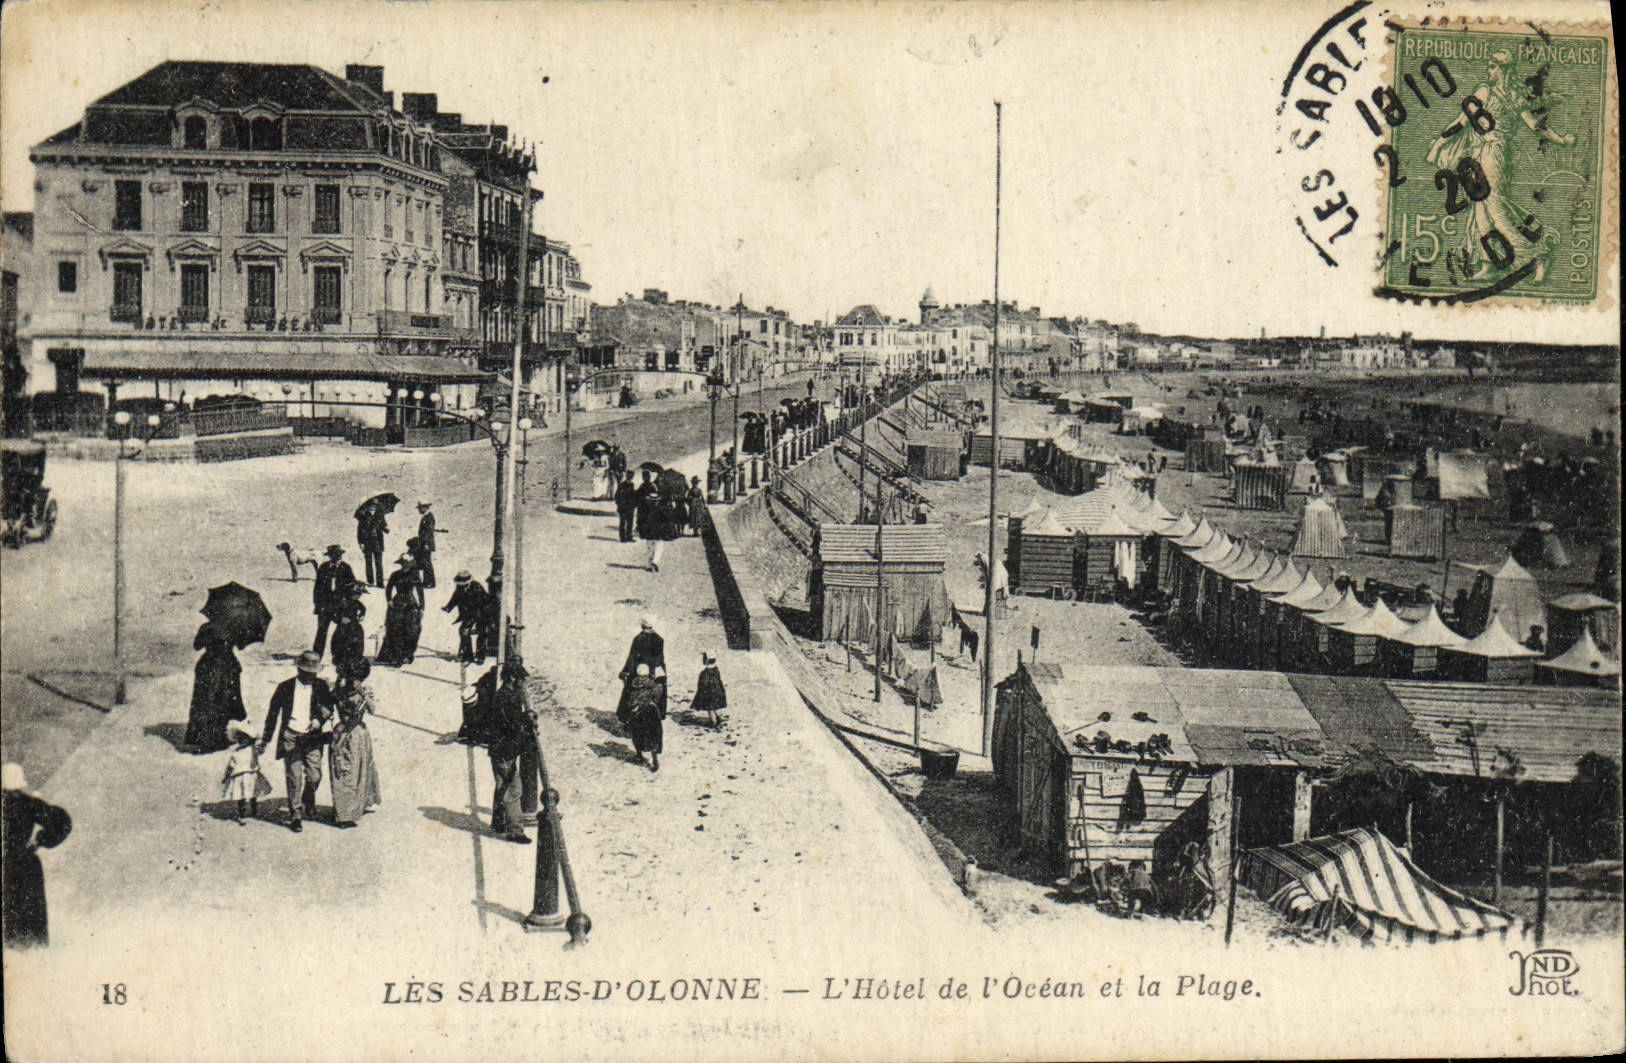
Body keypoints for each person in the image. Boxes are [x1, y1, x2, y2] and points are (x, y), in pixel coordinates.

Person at [1425, 48, 1572, 283]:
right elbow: (1463, 121)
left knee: (1495, 209)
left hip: (1495, 154)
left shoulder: (1498, 94)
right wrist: (1438, 145)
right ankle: (1489, 263)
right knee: (1480, 210)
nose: (1489, 70)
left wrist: (1561, 140)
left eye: (1493, 66)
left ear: (1504, 70)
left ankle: (1537, 255)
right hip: (1478, 155)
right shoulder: (1495, 93)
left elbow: (1534, 126)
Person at [258, 652, 335, 833]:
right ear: (299, 670)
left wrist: (319, 720)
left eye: (313, 672)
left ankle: (308, 796)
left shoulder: (321, 685)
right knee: (294, 777)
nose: (310, 676)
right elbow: (273, 714)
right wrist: (266, 739)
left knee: (315, 775)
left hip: (312, 737)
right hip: (291, 736)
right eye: (307, 672)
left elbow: (329, 707)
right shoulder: (284, 687)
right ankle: (296, 815)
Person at [2, 763, 72, 949]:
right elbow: (62, 822)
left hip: (7, 866)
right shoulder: (29, 803)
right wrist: (40, 840)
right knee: (30, 922)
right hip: (25, 865)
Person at [328, 658, 381, 829]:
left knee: (358, 771)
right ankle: (344, 815)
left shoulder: (362, 690)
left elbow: (372, 709)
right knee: (346, 772)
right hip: (347, 733)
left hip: (356, 734)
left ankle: (353, 807)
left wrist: (363, 692)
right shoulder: (340, 689)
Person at [487, 659, 535, 843]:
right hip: (504, 750)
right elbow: (511, 725)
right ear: (513, 678)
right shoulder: (507, 698)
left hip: (500, 749)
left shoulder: (503, 695)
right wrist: (526, 720)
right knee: (513, 789)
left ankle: (498, 823)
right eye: (520, 679)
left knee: (502, 785)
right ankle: (515, 831)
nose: (523, 683)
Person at [185, 621, 246, 753]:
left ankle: (203, 739)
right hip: (227, 667)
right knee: (223, 702)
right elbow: (241, 645)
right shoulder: (233, 626)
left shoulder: (206, 627)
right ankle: (218, 738)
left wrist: (209, 638)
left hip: (208, 666)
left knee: (205, 702)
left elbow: (197, 646)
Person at [375, 555, 424, 667]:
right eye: (403, 564)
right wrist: (389, 600)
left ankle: (407, 655)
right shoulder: (395, 574)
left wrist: (422, 607)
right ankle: (396, 657)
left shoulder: (415, 575)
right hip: (397, 604)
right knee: (396, 630)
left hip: (411, 605)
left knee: (411, 631)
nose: (404, 566)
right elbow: (389, 588)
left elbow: (420, 592)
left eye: (406, 564)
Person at [220, 720, 271, 825]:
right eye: (239, 737)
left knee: (253, 794)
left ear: (250, 739)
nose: (242, 740)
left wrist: (262, 745)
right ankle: (241, 815)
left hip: (252, 774)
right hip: (240, 777)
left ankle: (254, 809)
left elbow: (261, 751)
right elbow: (230, 766)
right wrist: (226, 776)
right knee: (241, 797)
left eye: (245, 738)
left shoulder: (253, 750)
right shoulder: (235, 752)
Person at [618, 614, 667, 722]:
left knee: (633, 692)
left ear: (642, 625)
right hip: (655, 670)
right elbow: (660, 658)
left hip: (639, 670)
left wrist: (625, 671)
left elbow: (632, 657)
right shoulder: (659, 639)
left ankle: (628, 717)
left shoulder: (638, 639)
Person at [620, 663, 665, 771]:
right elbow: (658, 696)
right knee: (653, 735)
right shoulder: (652, 685)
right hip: (651, 712)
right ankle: (654, 759)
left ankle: (639, 755)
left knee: (637, 735)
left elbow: (630, 702)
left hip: (638, 714)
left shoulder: (633, 686)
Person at [311, 545, 354, 656]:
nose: (338, 557)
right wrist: (318, 605)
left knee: (342, 632)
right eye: (335, 555)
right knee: (321, 631)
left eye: (339, 555)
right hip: (325, 606)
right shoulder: (323, 567)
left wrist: (348, 605)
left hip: (340, 606)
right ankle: (316, 656)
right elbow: (317, 588)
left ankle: (340, 657)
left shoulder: (346, 568)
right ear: (330, 556)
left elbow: (352, 588)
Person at [443, 570, 492, 664]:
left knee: (482, 632)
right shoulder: (459, 589)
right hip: (469, 615)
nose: (462, 586)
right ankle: (467, 655)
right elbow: (455, 598)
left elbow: (483, 602)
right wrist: (448, 607)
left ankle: (480, 655)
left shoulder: (477, 588)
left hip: (481, 614)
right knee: (463, 631)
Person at [329, 580, 368, 673]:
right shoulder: (342, 602)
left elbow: (363, 608)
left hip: (354, 626)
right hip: (343, 628)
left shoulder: (356, 603)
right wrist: (340, 619)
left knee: (357, 644)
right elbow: (332, 614)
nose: (358, 596)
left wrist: (361, 615)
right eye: (357, 594)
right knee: (341, 644)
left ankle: (355, 661)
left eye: (359, 595)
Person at [354, 499, 389, 588]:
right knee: (369, 563)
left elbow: (385, 527)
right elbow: (359, 531)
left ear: (377, 507)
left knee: (379, 563)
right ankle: (370, 581)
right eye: (371, 506)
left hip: (378, 542)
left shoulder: (380, 516)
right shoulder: (363, 516)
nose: (373, 507)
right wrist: (361, 543)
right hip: (367, 543)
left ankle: (380, 583)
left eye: (375, 506)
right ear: (368, 507)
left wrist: (386, 529)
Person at [691, 653, 728, 728]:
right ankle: (718, 717)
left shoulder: (705, 673)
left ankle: (713, 722)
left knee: (710, 708)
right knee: (714, 706)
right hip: (717, 690)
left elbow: (703, 683)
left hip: (709, 692)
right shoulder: (716, 670)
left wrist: (701, 691)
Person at [414, 502, 444, 589]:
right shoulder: (426, 516)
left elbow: (428, 531)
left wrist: (426, 543)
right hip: (424, 543)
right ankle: (427, 582)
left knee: (427, 563)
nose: (419, 510)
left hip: (426, 544)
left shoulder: (429, 517)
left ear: (425, 507)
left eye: (420, 508)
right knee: (425, 562)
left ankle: (430, 582)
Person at [614, 474, 639, 543]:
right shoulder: (622, 485)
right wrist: (620, 504)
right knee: (623, 523)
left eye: (631, 476)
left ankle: (629, 536)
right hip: (623, 507)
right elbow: (617, 496)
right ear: (627, 476)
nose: (630, 478)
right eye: (629, 476)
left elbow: (633, 495)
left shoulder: (632, 485)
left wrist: (634, 504)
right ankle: (622, 537)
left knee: (630, 523)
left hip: (630, 507)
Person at [635, 470, 659, 540]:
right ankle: (643, 534)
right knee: (641, 520)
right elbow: (638, 494)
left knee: (649, 520)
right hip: (642, 506)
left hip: (649, 506)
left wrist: (648, 498)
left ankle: (648, 534)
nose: (645, 478)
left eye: (647, 477)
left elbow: (655, 496)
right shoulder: (642, 485)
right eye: (644, 477)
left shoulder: (652, 486)